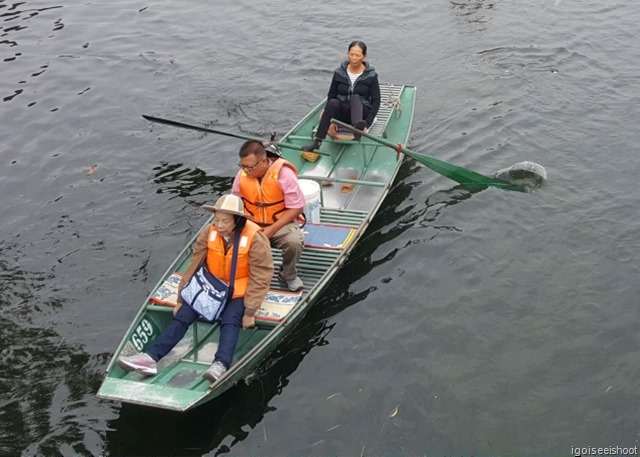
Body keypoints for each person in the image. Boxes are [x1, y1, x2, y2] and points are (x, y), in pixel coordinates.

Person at [116, 194, 273, 382]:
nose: (219, 225)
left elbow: (261, 274)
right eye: (217, 220)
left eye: (225, 221)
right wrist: (181, 298)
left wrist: (250, 311)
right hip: (211, 285)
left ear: (237, 221)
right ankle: (150, 358)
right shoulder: (209, 232)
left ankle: (221, 364)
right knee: (183, 315)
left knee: (231, 321)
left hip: (239, 290)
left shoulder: (255, 237)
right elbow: (194, 263)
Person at [233, 140, 306, 292]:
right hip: (252, 223)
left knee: (294, 242)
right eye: (243, 166)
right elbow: (235, 201)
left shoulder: (284, 174)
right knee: (229, 239)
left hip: (280, 223)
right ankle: (240, 274)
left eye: (250, 167)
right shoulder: (242, 175)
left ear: (264, 161)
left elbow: (297, 206)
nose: (246, 170)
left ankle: (288, 274)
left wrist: (271, 230)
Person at [302, 40, 381, 152]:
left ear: (364, 56)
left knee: (355, 97)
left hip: (361, 113)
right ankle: (317, 141)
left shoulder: (371, 75)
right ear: (347, 54)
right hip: (344, 112)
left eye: (357, 55)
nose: (354, 58)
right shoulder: (339, 72)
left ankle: (357, 130)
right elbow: (331, 95)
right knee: (333, 102)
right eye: (351, 54)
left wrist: (367, 123)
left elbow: (376, 101)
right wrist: (331, 122)